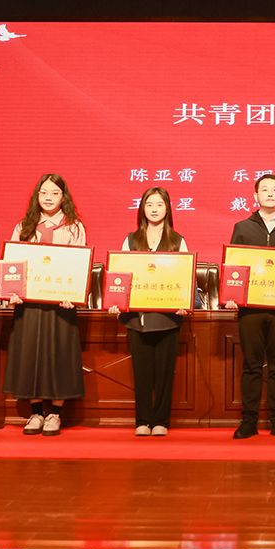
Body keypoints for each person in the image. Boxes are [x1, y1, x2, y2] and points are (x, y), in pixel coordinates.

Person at [224, 174, 275, 440]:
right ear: (255, 196)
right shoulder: (243, 227)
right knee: (251, 365)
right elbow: (234, 266)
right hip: (251, 309)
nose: (270, 193)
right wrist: (231, 295)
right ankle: (248, 421)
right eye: (264, 189)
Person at [3, 174, 86, 438]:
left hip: (61, 304)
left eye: (54, 193)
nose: (48, 198)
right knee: (31, 355)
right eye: (44, 193)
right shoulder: (23, 227)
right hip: (29, 304)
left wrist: (73, 293)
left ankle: (55, 414)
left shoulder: (74, 227)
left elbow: (78, 266)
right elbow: (13, 265)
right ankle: (36, 412)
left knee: (59, 354)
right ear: (36, 196)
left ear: (63, 197)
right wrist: (12, 291)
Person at [109, 187, 190, 437]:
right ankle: (142, 420)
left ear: (168, 209)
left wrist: (184, 301)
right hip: (138, 318)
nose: (154, 209)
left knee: (164, 373)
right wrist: (116, 301)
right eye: (149, 204)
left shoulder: (177, 240)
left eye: (159, 204)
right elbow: (121, 275)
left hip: (167, 318)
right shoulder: (131, 240)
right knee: (141, 373)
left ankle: (161, 421)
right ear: (142, 208)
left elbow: (184, 277)